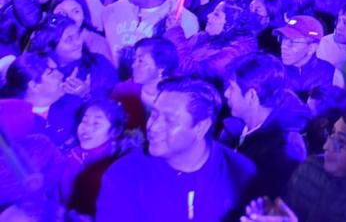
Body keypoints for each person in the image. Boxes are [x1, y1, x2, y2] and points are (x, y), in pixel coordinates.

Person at [96, 77, 257, 222]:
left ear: (201, 127)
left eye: (169, 120)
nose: (153, 126)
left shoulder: (240, 174)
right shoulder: (124, 174)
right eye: (154, 115)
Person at [242, 97, 346, 222]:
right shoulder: (310, 169)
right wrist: (267, 214)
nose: (326, 146)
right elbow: (285, 210)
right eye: (331, 134)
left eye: (340, 143)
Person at [224, 53, 308, 200]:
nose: (226, 94)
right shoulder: (234, 129)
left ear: (251, 96)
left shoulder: (284, 149)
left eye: (232, 88)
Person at [61, 98, 127, 217]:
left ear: (114, 131)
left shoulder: (117, 165)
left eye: (96, 124)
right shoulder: (71, 156)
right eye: (84, 121)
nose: (87, 128)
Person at [275, 15, 334, 100]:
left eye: (292, 42)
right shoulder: (272, 70)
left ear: (312, 48)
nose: (283, 46)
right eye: (282, 39)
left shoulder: (330, 74)